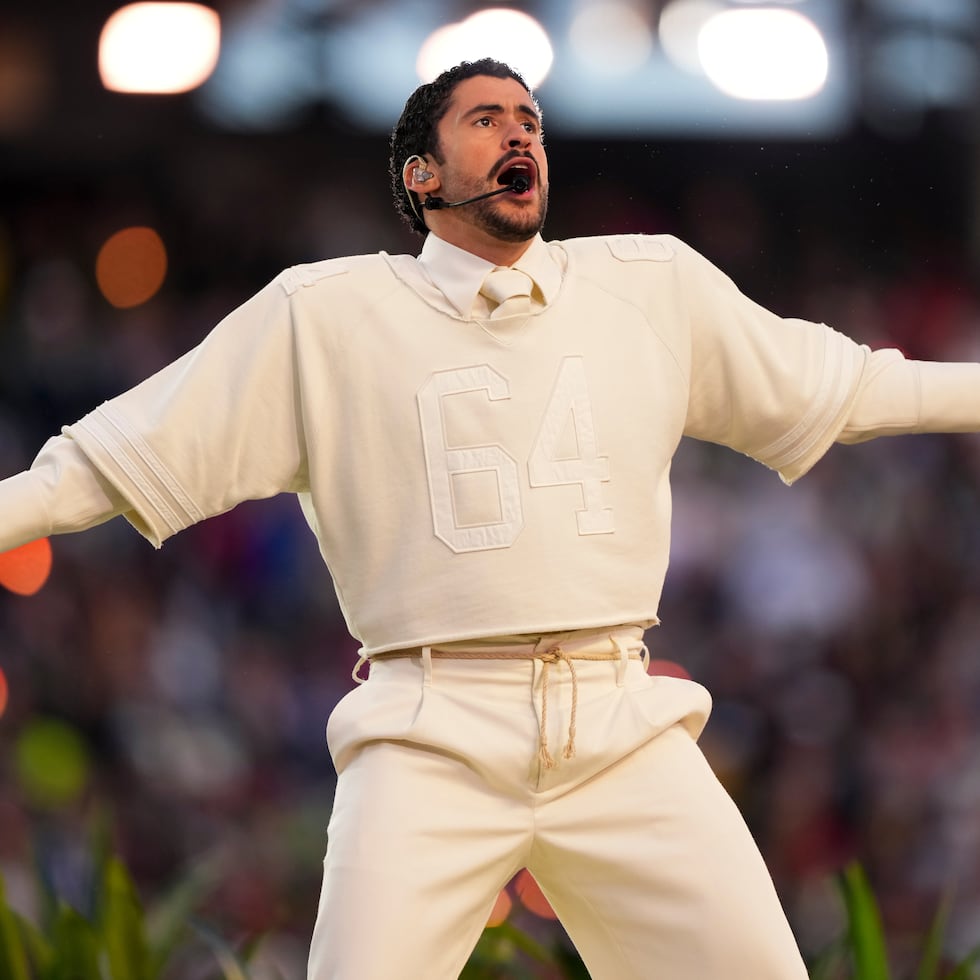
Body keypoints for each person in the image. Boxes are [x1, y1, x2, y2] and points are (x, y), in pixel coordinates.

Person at [2, 57, 979, 978]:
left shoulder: (650, 282)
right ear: (420, 174)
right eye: (486, 120)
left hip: (618, 715)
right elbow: (110, 454)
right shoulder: (321, 312)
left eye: (530, 121)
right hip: (428, 730)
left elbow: (849, 386)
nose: (520, 136)